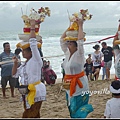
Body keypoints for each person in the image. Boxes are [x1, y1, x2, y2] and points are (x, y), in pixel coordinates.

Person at [12, 19, 46, 118]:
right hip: (25, 91)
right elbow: (14, 75)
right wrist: (15, 64)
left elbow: (33, 43)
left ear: (31, 52)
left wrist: (32, 27)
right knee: (33, 114)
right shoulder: (24, 64)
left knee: (29, 114)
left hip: (36, 90)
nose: (22, 53)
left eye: (24, 51)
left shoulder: (36, 59)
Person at [60, 18, 93, 118]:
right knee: (71, 106)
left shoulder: (79, 54)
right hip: (68, 84)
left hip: (80, 84)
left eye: (70, 43)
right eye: (68, 43)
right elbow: (61, 39)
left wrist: (80, 25)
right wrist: (70, 27)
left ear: (75, 46)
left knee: (79, 107)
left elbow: (80, 41)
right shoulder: (67, 53)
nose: (68, 44)